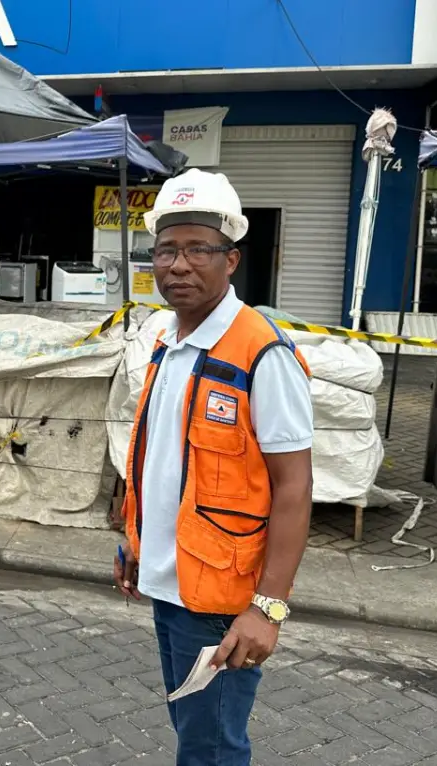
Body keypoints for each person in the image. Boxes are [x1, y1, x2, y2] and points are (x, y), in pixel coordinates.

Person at [112, 168, 314, 766]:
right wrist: (137, 542)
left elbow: (294, 487)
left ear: (231, 258)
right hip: (171, 583)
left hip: (223, 599)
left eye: (197, 248)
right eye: (166, 250)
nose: (177, 265)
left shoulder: (262, 352)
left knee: (211, 747)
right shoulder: (165, 341)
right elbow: (164, 461)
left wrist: (268, 607)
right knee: (192, 728)